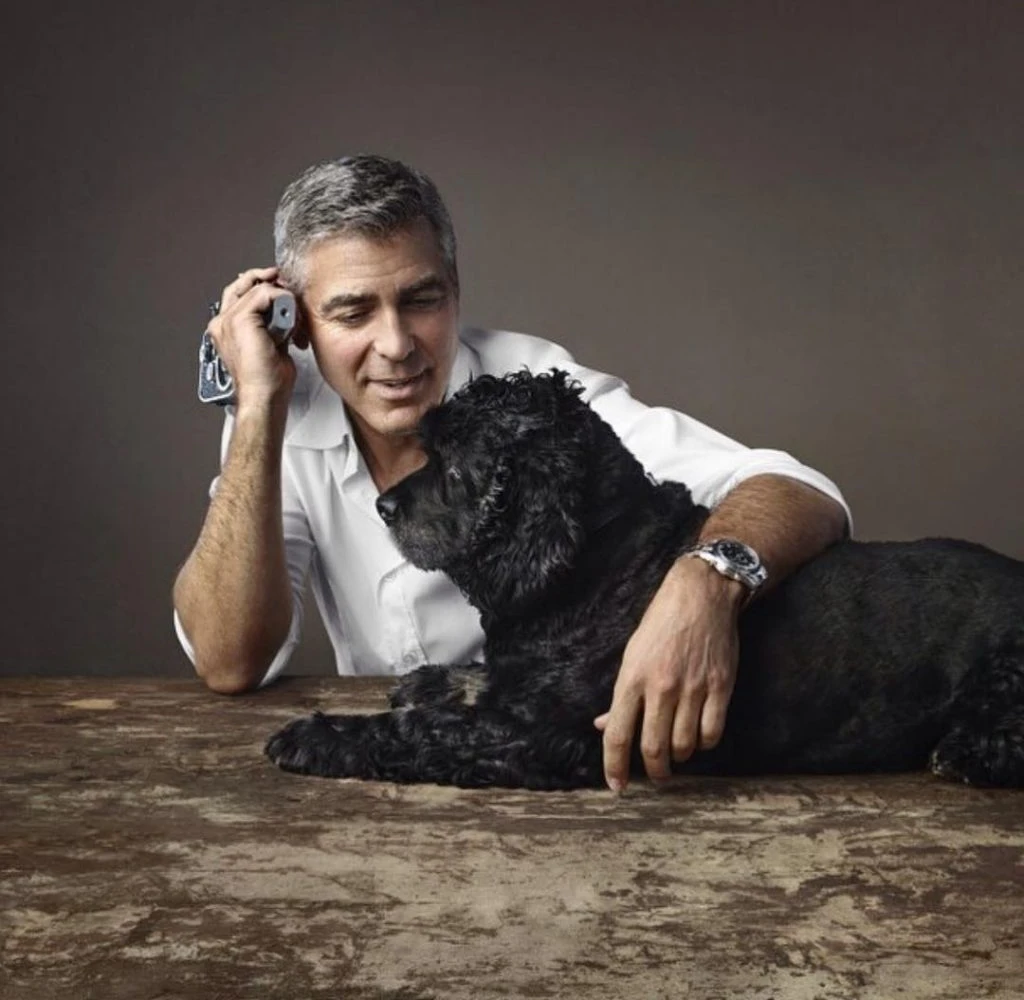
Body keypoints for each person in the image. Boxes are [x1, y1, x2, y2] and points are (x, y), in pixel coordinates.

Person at [173, 155, 850, 792]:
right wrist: (256, 407)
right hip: (392, 777)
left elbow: (801, 490)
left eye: (422, 300)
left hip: (569, 774)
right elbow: (230, 661)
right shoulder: (276, 413)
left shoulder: (540, 402)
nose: (397, 345)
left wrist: (706, 583)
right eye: (353, 313)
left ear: (456, 290)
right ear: (295, 322)